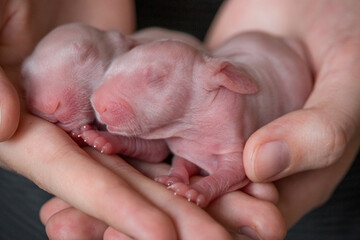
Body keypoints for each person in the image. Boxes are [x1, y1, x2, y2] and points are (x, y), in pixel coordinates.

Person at [1, 1, 359, 239]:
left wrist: (202, 186)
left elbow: (220, 157)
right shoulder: (172, 102)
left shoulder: (217, 92)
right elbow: (175, 146)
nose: (101, 105)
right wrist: (179, 172)